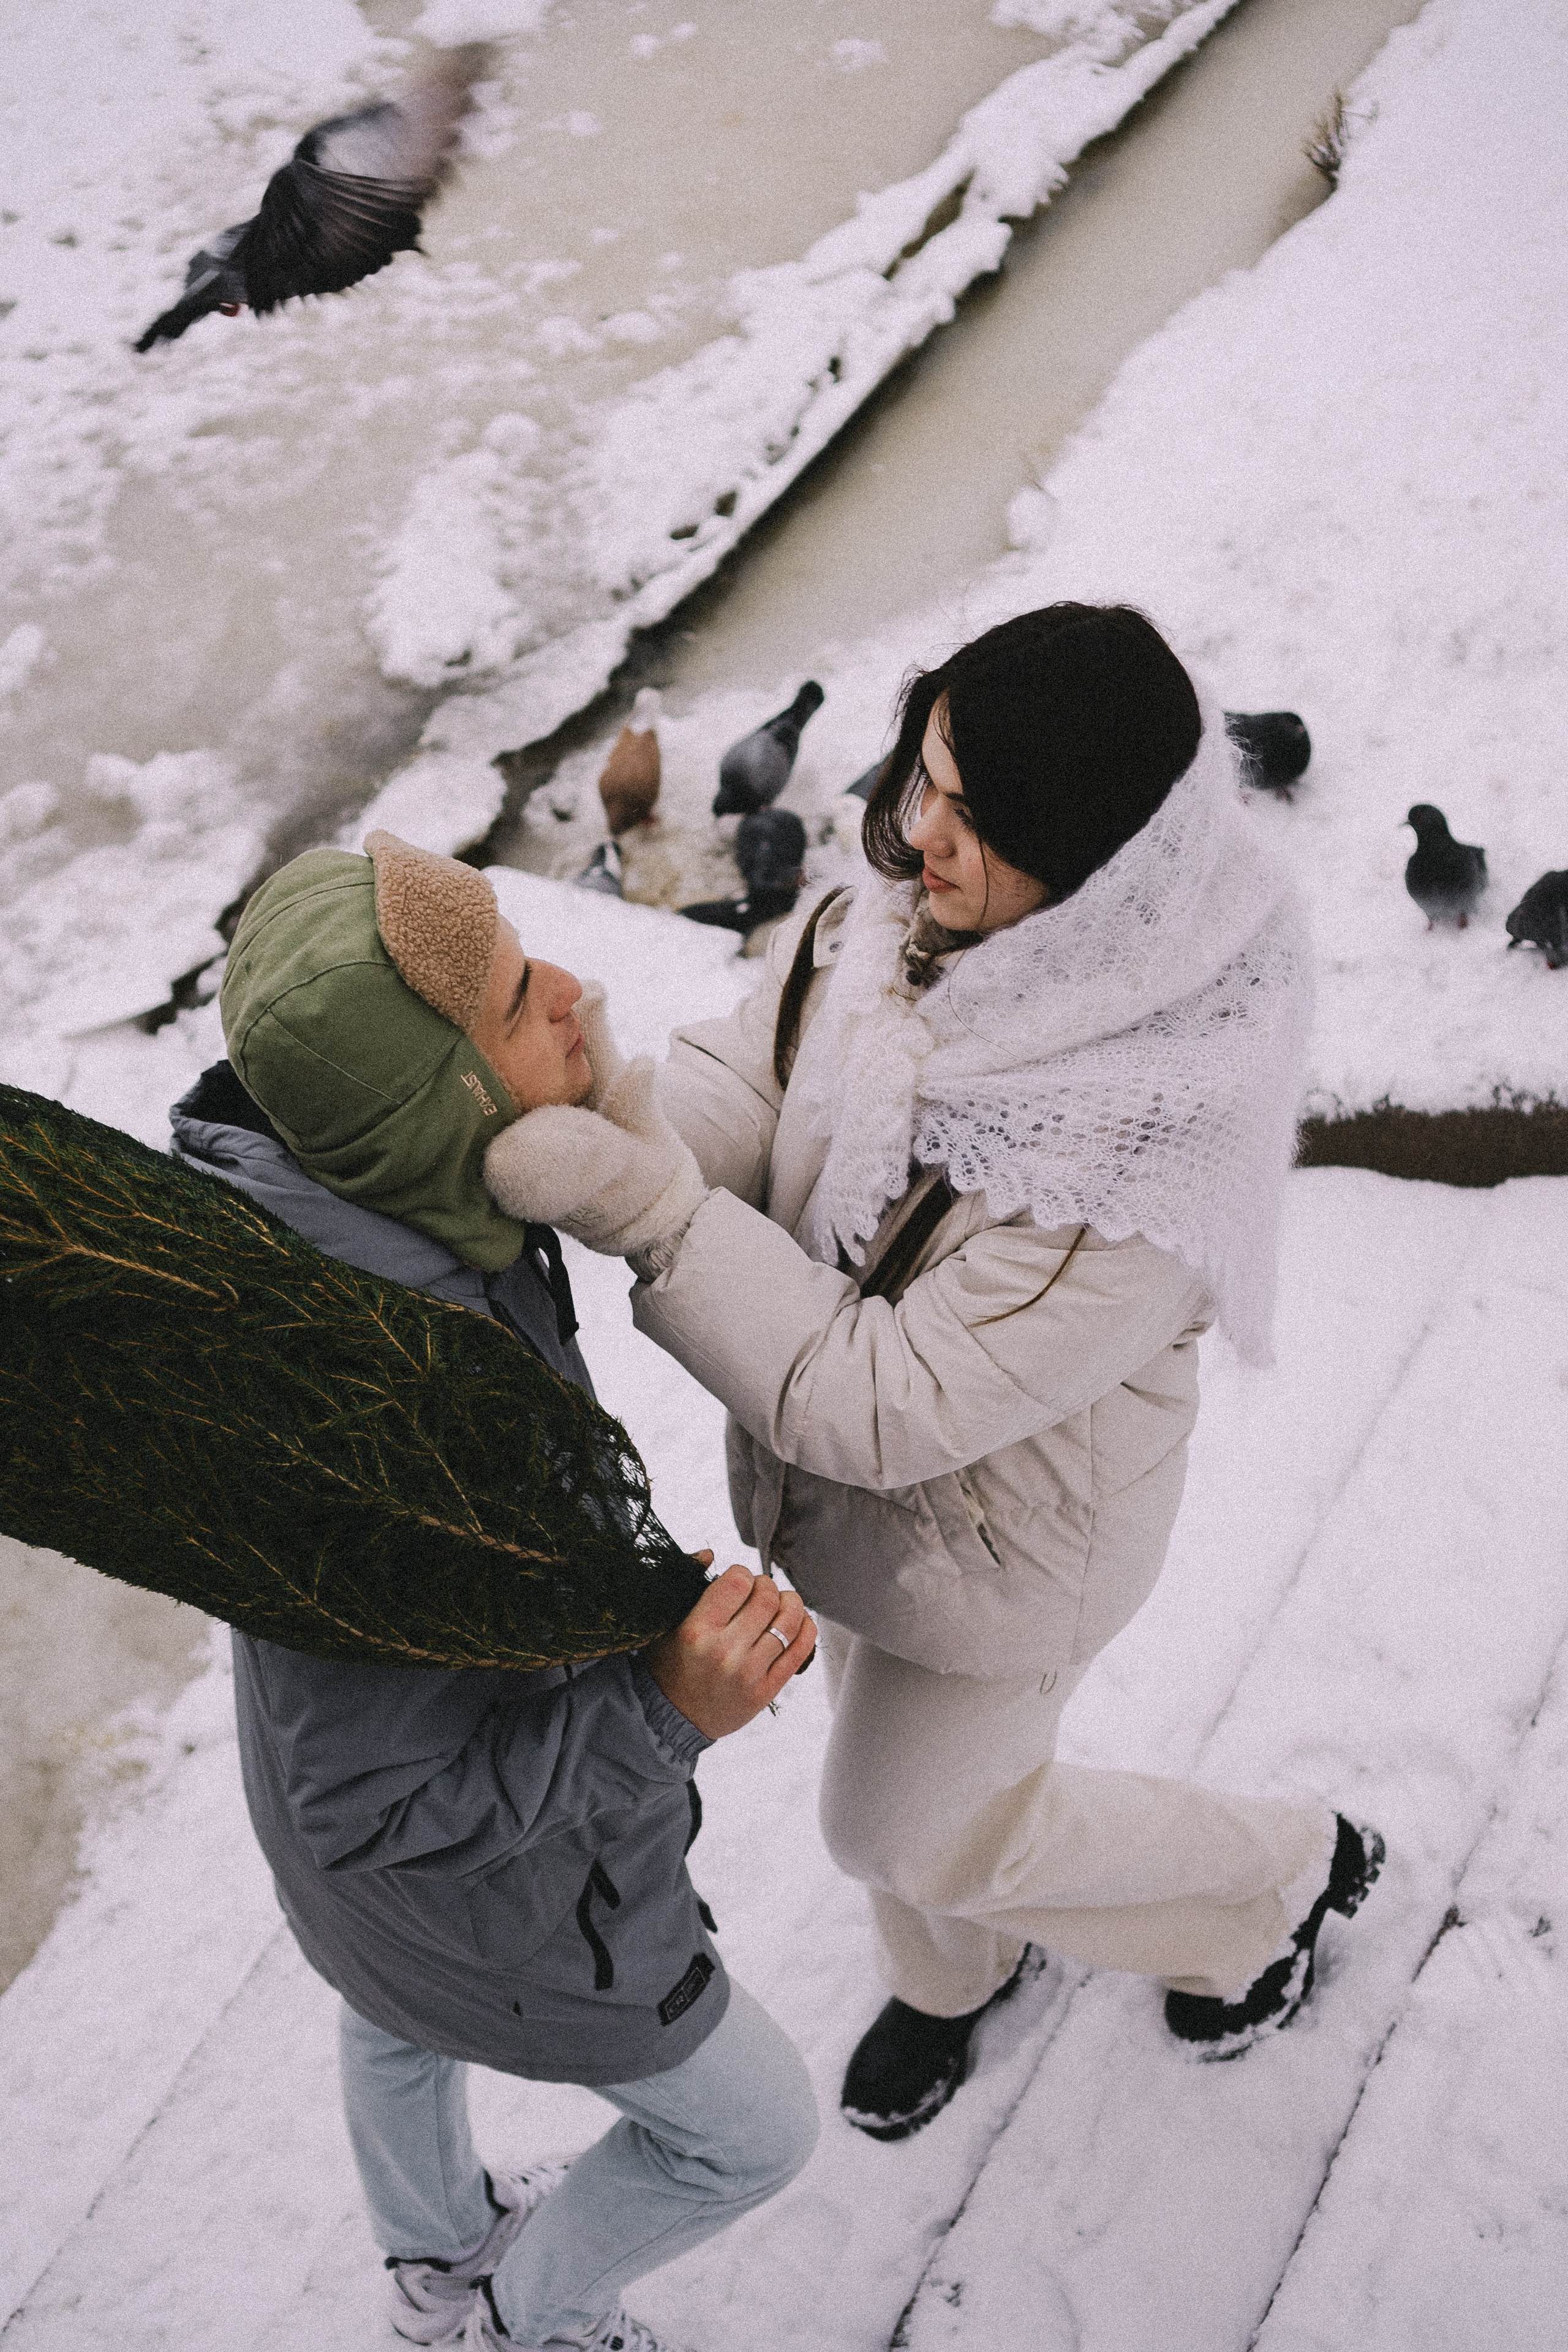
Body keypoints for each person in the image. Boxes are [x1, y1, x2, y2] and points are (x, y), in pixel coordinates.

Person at [482, 604, 1384, 2146]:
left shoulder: (1132, 1134)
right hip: (846, 1500)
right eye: (928, 779)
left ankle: (1268, 1882)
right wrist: (631, 1124)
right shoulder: (906, 917)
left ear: (1101, 868)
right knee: (904, 1778)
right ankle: (956, 1972)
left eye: (979, 820)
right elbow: (752, 1071)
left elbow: (885, 1400)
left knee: (897, 1818)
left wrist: (640, 1209)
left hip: (1006, 1547)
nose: (917, 836)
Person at [173, 830, 818, 2352]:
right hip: (504, 1901)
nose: (581, 997)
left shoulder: (364, 1231)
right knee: (751, 2134)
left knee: (386, 2006)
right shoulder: (395, 1429)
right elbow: (377, 1807)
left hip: (368, 1909)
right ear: (441, 1105)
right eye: (528, 1000)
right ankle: (529, 2316)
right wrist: (663, 1715)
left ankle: (432, 2250)